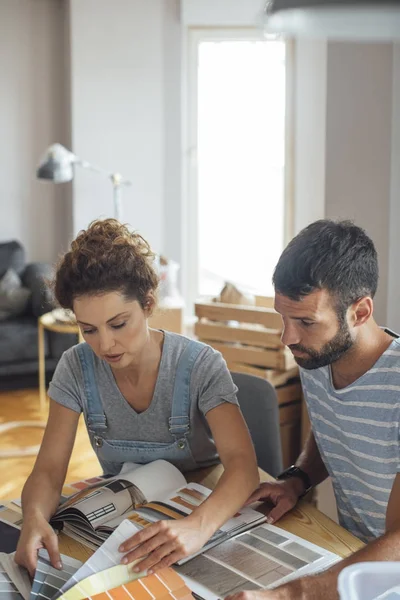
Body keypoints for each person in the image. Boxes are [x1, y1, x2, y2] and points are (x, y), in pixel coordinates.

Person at [15, 218, 259, 577]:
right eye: (88, 330)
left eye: (118, 324)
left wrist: (198, 526)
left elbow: (242, 465)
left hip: (205, 514)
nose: (105, 345)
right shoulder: (75, 367)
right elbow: (49, 471)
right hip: (123, 522)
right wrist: (34, 520)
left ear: (147, 304)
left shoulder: (200, 365)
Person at [227, 220, 400, 600]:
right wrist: (298, 479)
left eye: (305, 321)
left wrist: (289, 595)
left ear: (360, 311)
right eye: (283, 317)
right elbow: (333, 427)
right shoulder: (319, 356)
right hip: (348, 554)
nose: (287, 337)